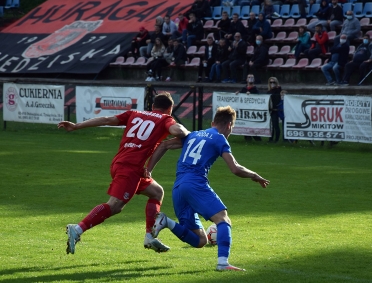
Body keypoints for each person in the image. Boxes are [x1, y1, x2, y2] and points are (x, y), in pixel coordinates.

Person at [58, 92, 190, 255]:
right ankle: (77, 229)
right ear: (170, 109)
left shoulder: (135, 113)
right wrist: (189, 133)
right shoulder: (165, 119)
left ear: (153, 106)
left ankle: (150, 235)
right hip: (130, 168)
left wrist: (76, 126)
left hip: (121, 163)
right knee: (115, 205)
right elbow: (179, 131)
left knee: (156, 192)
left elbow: (107, 120)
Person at [146, 105, 269, 271]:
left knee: (200, 241)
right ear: (229, 126)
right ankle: (223, 263)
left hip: (178, 188)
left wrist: (148, 170)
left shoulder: (193, 135)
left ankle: (166, 222)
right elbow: (235, 168)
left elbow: (164, 145)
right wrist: (255, 175)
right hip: (195, 183)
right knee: (223, 220)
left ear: (212, 122)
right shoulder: (219, 139)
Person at [236, 74, 263, 142]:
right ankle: (247, 137)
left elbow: (258, 98)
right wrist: (238, 93)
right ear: (246, 79)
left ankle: (256, 137)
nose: (250, 79)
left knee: (253, 123)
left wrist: (251, 95)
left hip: (253, 109)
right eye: (249, 77)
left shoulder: (255, 89)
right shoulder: (244, 89)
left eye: (252, 77)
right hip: (245, 109)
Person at [267, 77, 282, 143]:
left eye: (274, 82)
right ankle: (271, 138)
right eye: (271, 82)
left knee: (275, 125)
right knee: (271, 125)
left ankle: (276, 139)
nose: (272, 84)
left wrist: (278, 87)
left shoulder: (278, 90)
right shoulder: (268, 91)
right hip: (270, 110)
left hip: (275, 109)